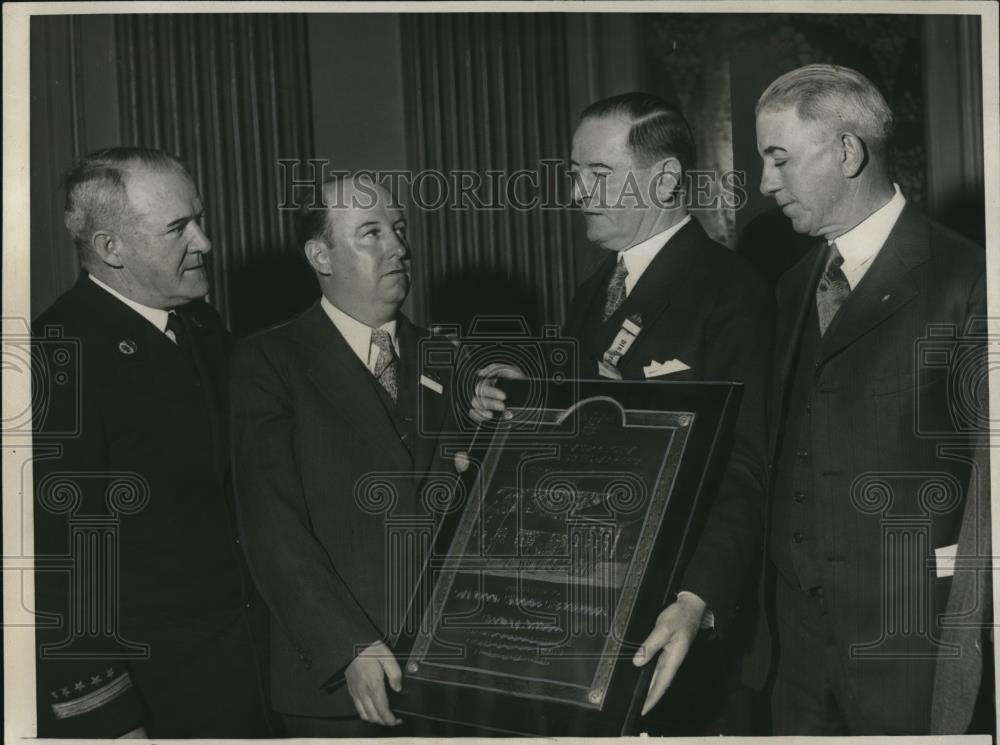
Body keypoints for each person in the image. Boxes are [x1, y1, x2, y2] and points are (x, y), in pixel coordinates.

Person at [472, 93, 773, 733]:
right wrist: (523, 402)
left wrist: (698, 599)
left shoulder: (731, 291)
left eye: (598, 175)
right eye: (575, 174)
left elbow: (746, 464)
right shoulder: (593, 292)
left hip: (675, 614)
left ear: (665, 179)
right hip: (590, 607)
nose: (578, 194)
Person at [751, 63, 989, 735]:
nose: (766, 183)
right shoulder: (794, 284)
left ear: (848, 152)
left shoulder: (967, 279)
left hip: (910, 658)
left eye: (779, 158)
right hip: (796, 663)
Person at [31, 147, 275, 738]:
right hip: (154, 694)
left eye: (200, 218)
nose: (206, 242)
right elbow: (54, 563)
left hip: (243, 669)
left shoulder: (200, 326)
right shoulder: (57, 355)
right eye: (178, 228)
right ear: (111, 248)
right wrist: (108, 718)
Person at [229, 176, 452, 737]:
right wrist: (347, 644)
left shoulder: (452, 361)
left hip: (455, 675)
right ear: (320, 255)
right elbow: (271, 526)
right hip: (339, 687)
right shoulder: (269, 362)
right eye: (371, 233)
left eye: (399, 229)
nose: (399, 247)